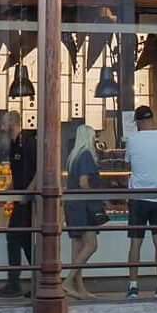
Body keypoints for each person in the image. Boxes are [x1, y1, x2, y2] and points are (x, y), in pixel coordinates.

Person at [124, 105, 157, 299]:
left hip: (137, 196)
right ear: (152, 119)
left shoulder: (132, 140)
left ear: (138, 122)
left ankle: (133, 286)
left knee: (136, 242)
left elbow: (127, 164)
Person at [0, 111, 36, 298]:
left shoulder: (28, 143)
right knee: (24, 240)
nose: (1, 126)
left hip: (28, 201)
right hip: (20, 199)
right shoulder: (13, 144)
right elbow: (17, 176)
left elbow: (40, 171)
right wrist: (6, 193)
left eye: (4, 122)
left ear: (12, 122)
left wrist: (28, 193)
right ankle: (36, 280)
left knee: (14, 236)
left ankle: (15, 283)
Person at [63, 124, 102, 299]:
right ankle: (67, 281)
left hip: (72, 205)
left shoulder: (73, 156)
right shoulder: (86, 155)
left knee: (77, 248)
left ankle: (80, 290)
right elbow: (83, 182)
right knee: (91, 244)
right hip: (83, 205)